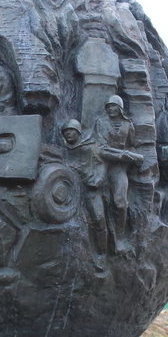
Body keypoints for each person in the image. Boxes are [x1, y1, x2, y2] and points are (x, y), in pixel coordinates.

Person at [94, 95, 143, 253]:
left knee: (120, 202)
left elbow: (132, 146)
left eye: (113, 106)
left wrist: (131, 157)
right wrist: (122, 155)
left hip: (119, 169)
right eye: (108, 107)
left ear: (120, 108)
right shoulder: (101, 123)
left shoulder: (128, 125)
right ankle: (104, 240)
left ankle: (120, 237)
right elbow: (101, 149)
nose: (110, 109)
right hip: (102, 166)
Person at [61, 119, 108, 254]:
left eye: (71, 130)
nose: (68, 133)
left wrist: (98, 180)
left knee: (98, 219)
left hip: (90, 188)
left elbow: (100, 164)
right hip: (70, 189)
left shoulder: (89, 147)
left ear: (78, 132)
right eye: (65, 131)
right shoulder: (63, 150)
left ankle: (102, 251)